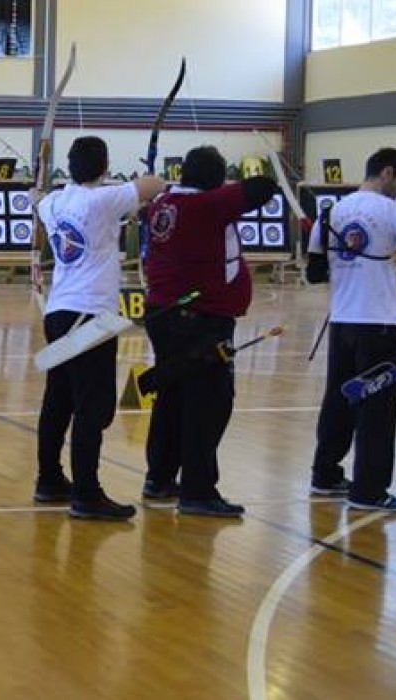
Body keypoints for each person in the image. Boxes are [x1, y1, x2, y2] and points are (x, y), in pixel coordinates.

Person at [140, 145, 281, 517]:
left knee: (172, 398)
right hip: (199, 321)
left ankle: (159, 478)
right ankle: (198, 491)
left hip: (165, 315)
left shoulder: (163, 204)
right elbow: (265, 186)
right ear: (215, 182)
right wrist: (227, 190)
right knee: (209, 402)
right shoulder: (206, 205)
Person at [33, 137, 167, 520]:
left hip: (58, 314)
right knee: (93, 407)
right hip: (90, 315)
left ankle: (49, 480)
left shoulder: (54, 202)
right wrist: (144, 177)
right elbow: (154, 186)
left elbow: (36, 200)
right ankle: (86, 493)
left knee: (58, 400)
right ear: (104, 166)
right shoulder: (102, 200)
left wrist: (38, 194)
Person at [304, 148, 396, 512]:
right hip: (378, 322)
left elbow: (313, 272)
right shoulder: (389, 209)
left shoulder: (332, 211)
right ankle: (369, 491)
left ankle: (325, 475)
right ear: (387, 173)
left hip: (342, 322)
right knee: (376, 407)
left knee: (339, 399)